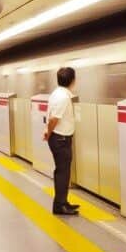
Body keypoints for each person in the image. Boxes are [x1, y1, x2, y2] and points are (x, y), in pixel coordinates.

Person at [44, 67, 80, 216]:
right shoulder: (63, 97)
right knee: (62, 173)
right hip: (60, 139)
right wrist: (48, 133)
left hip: (60, 138)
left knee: (63, 171)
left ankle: (63, 202)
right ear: (72, 80)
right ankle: (59, 206)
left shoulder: (58, 93)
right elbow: (54, 119)